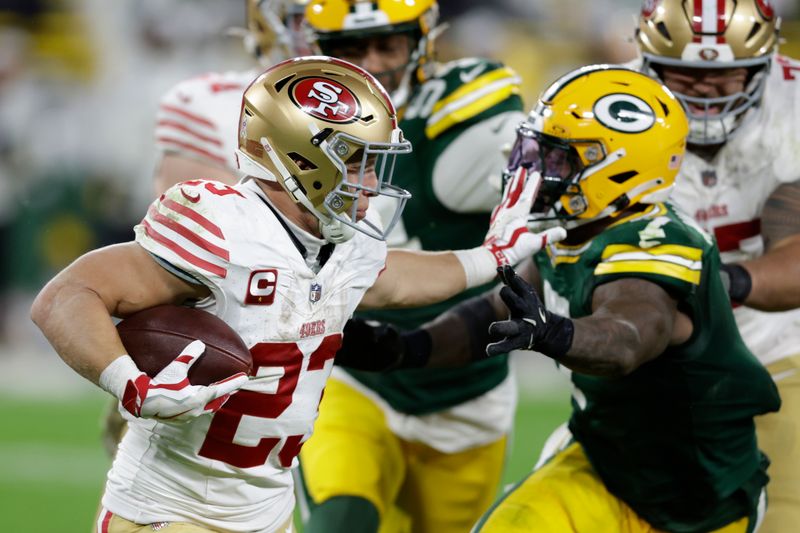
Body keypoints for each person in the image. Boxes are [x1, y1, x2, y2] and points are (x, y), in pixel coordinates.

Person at [31, 56, 559, 533]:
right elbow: (65, 296)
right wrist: (131, 384)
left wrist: (493, 255)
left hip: (267, 509)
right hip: (171, 508)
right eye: (358, 161)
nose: (373, 181)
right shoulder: (221, 227)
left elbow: (398, 280)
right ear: (302, 160)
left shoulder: (341, 243)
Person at [344, 64, 782, 532]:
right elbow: (491, 316)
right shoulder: (569, 233)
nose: (532, 170)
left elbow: (630, 337)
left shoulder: (658, 240)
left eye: (555, 159)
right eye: (534, 152)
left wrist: (553, 332)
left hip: (702, 500)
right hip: (602, 467)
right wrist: (404, 349)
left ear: (618, 166)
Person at [297, 2, 527, 531]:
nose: (371, 63)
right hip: (353, 374)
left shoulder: (469, 106)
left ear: (422, 43)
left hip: (466, 391)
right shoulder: (299, 122)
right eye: (351, 49)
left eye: (387, 45)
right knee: (341, 519)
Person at [632, 2, 800, 530]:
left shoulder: (793, 105)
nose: (706, 90)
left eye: (725, 73)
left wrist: (716, 282)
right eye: (688, 73)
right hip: (652, 366)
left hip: (777, 348)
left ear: (765, 63)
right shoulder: (602, 107)